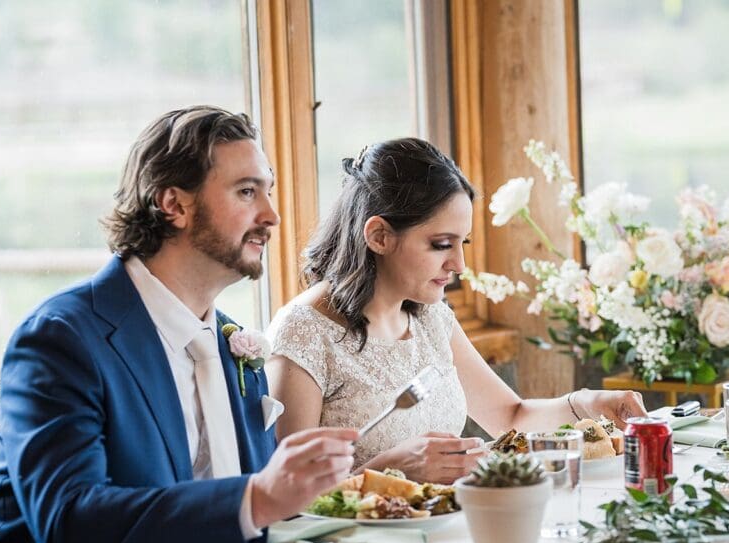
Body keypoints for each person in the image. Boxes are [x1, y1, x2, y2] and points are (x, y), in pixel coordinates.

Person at [0, 106, 358, 543]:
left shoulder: (232, 338)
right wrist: (256, 498)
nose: (272, 216)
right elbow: (71, 524)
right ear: (174, 204)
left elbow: (244, 511)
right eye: (247, 191)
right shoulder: (62, 339)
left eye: (269, 191)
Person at [266, 138, 645, 484]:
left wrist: (587, 404)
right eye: (441, 244)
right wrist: (388, 470)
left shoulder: (429, 317)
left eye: (462, 242)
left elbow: (509, 417)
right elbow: (290, 492)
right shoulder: (304, 333)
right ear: (379, 236)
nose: (459, 264)